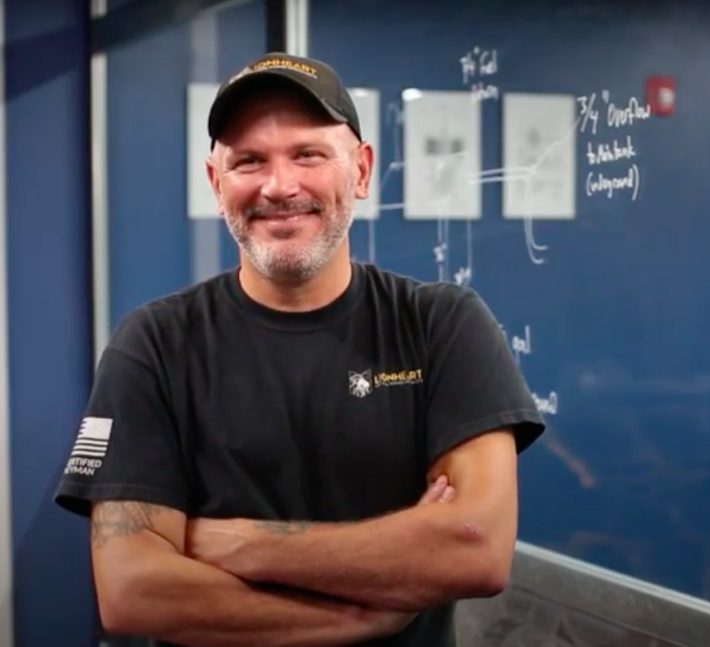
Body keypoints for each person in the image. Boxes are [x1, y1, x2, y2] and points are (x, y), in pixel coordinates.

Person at [54, 52, 545, 647]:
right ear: (216, 183)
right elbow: (133, 591)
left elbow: (474, 550)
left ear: (361, 171)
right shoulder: (155, 345)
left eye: (308, 154)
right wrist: (361, 616)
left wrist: (236, 542)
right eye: (248, 161)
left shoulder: (441, 325)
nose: (279, 186)